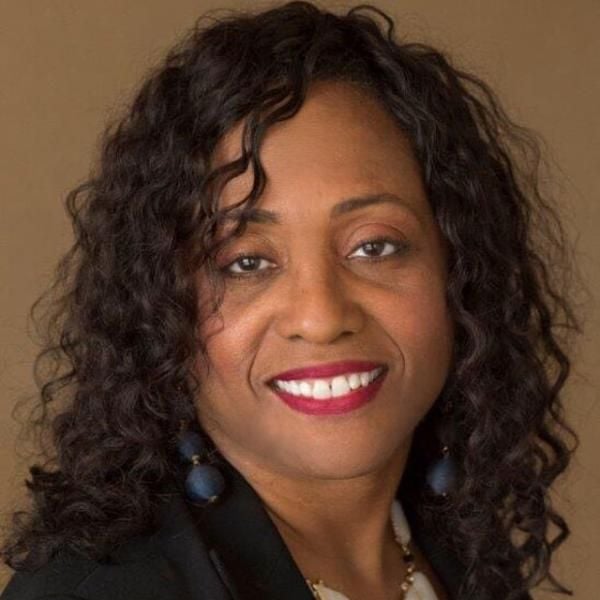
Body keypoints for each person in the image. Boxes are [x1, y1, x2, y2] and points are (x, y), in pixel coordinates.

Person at [0, 2, 584, 599]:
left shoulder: (457, 553)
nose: (322, 316)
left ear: (459, 269)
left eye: (374, 247)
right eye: (247, 262)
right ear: (157, 307)